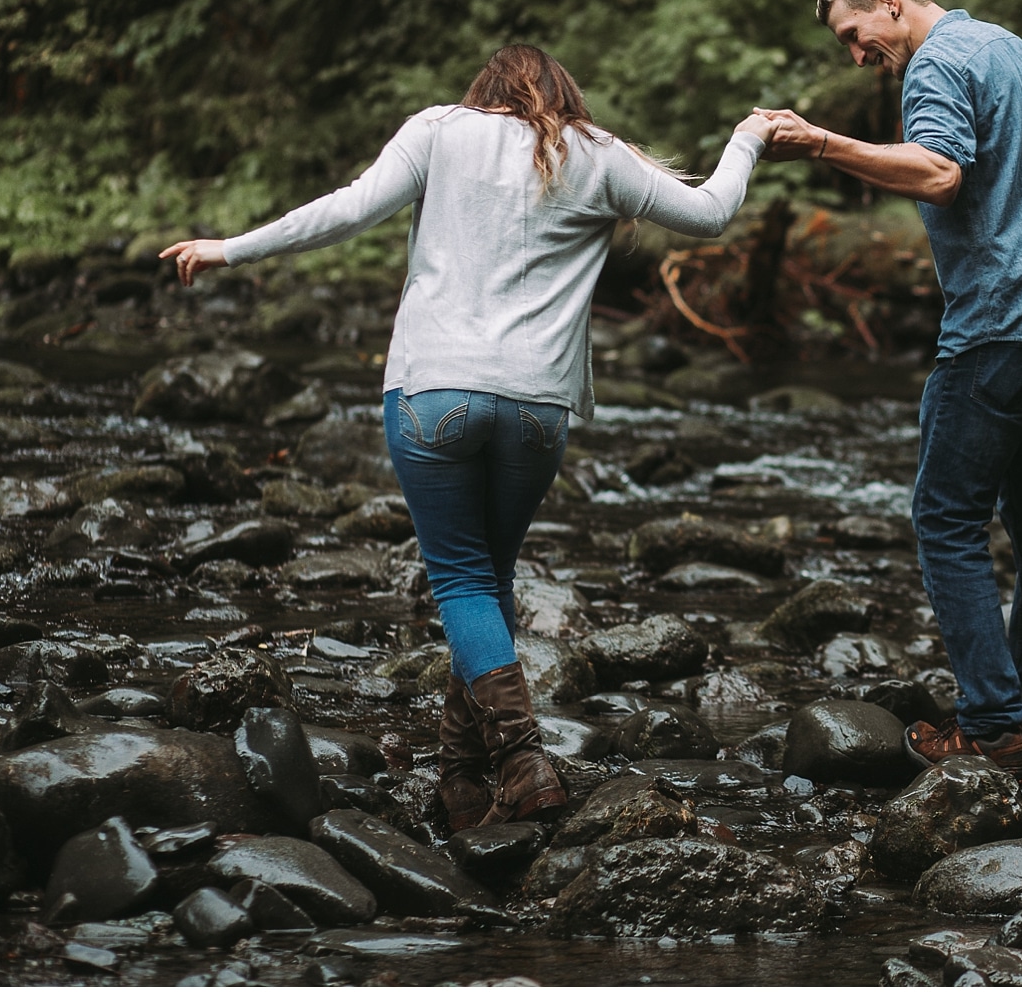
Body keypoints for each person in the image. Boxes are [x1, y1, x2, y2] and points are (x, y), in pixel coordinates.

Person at [160, 44, 774, 827]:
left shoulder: (437, 131)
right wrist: (751, 135)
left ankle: (521, 759)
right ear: (562, 95)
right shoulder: (598, 154)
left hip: (433, 391)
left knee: (460, 582)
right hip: (536, 408)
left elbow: (348, 209)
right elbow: (713, 215)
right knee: (487, 580)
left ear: (484, 90)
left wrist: (228, 248)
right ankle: (460, 776)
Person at [754, 0, 1022, 780]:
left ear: (888, 2)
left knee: (946, 521)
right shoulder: (1010, 47)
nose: (856, 55)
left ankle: (992, 726)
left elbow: (942, 173)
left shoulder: (936, 62)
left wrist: (822, 143)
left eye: (854, 35)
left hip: (1000, 322)